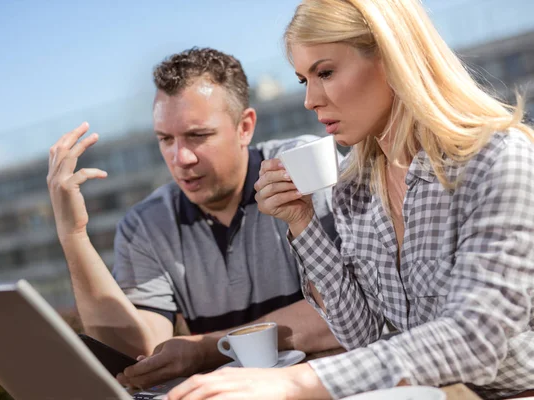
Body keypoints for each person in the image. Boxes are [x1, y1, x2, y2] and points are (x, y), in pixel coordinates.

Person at [165, 1, 534, 399]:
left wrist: (295, 381)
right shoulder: (352, 188)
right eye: (304, 80)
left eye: (325, 72)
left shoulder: (498, 158)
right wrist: (301, 222)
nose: (310, 100)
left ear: (392, 59)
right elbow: (361, 333)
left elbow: (475, 338)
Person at [46, 47, 340, 390]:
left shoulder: (306, 171)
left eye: (197, 136)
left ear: (244, 127)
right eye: (165, 139)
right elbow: (138, 358)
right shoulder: (145, 225)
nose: (179, 157)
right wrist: (74, 236)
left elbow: (346, 310)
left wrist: (204, 349)